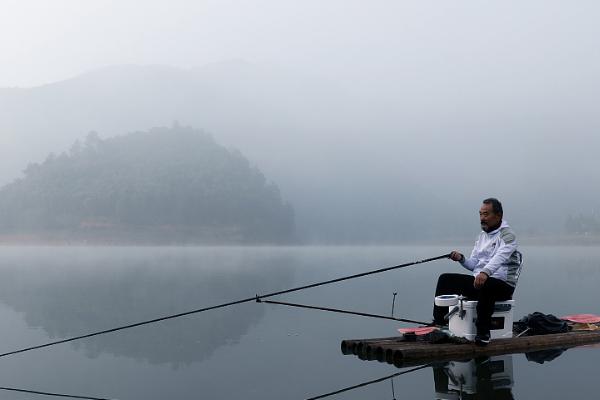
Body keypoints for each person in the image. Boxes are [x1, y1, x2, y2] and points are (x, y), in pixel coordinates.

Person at [433, 198, 522, 346]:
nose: (482, 218)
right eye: (480, 214)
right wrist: (461, 258)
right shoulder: (481, 236)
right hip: (481, 281)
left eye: (486, 214)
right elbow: (474, 264)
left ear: (498, 215)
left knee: (486, 284)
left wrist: (485, 272)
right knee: (445, 279)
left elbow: (499, 258)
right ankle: (439, 324)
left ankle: (483, 333)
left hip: (503, 285)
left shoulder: (508, 235)